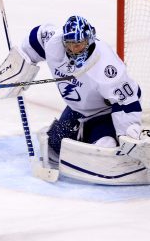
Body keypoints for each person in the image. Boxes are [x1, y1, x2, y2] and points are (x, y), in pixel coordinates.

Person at [19, 15, 142, 167]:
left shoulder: (107, 66)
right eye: (69, 44)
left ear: (89, 39)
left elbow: (125, 102)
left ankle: (103, 136)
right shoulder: (55, 44)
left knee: (105, 147)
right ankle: (83, 135)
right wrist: (19, 66)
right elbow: (36, 38)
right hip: (78, 110)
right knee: (54, 148)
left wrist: (128, 134)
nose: (73, 49)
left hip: (106, 112)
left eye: (78, 44)